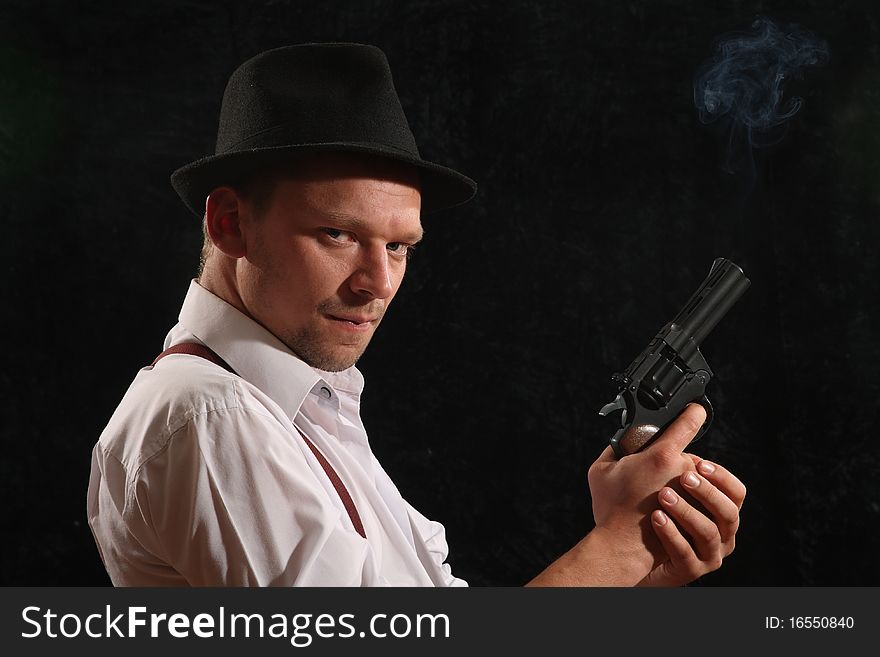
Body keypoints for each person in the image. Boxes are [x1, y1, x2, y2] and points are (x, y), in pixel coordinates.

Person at [86, 43, 745, 587]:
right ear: (231, 223)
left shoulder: (302, 408)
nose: (377, 283)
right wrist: (618, 547)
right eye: (337, 235)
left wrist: (643, 567)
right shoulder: (212, 413)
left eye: (398, 246)